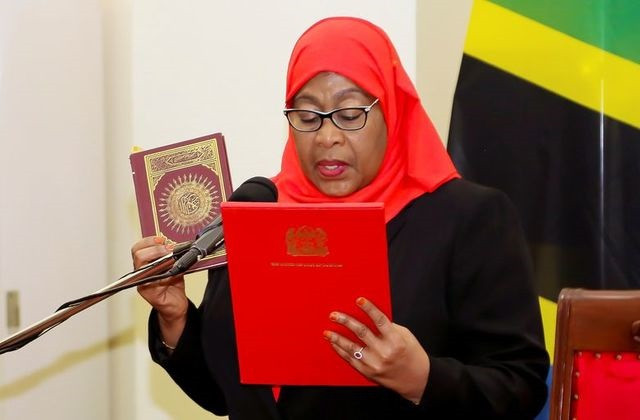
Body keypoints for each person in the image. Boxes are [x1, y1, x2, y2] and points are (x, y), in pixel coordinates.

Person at [132, 17, 549, 419]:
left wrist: (422, 378)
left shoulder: (467, 219)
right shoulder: (256, 211)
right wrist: (176, 316)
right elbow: (222, 394)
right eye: (307, 116)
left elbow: (522, 386)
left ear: (392, 111)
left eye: (350, 115)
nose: (327, 137)